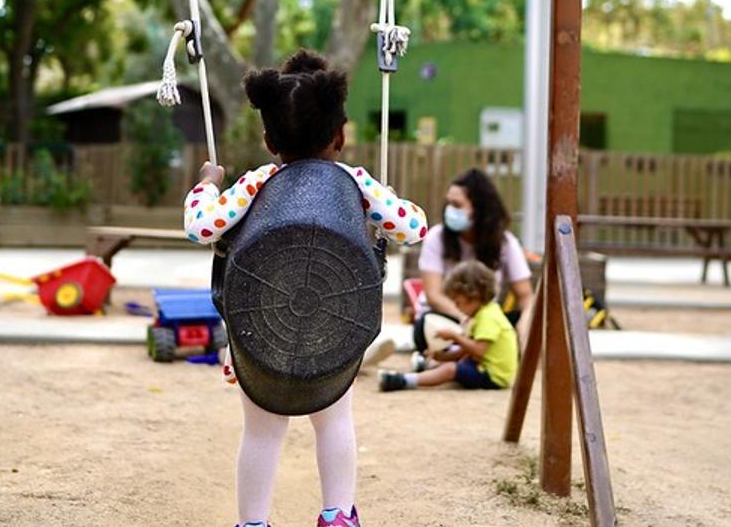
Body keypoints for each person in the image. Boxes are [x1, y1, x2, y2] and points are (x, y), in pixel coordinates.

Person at [182, 49, 427, 527]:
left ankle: (252, 523)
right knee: (334, 422)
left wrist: (207, 185)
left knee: (261, 433)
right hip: (331, 332)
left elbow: (200, 227)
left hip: (261, 334)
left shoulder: (257, 183)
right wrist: (386, 197)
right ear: (340, 136)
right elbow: (414, 228)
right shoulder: (355, 183)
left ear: (269, 139)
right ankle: (336, 515)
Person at [412, 169, 535, 354]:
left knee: (531, 324)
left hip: (487, 323)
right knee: (427, 326)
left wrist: (524, 325)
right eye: (449, 203)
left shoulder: (505, 243)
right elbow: (434, 296)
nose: (450, 210)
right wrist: (469, 321)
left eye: (457, 205)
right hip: (447, 319)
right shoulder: (436, 238)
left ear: (480, 209)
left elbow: (526, 295)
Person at [378, 259, 518, 391]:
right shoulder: (481, 315)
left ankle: (404, 380)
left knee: (450, 370)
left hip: (494, 376)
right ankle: (426, 366)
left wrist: (455, 337)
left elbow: (479, 350)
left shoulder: (489, 316)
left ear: (474, 296)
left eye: (458, 303)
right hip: (483, 366)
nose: (457, 308)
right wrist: (442, 357)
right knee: (449, 366)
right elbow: (466, 351)